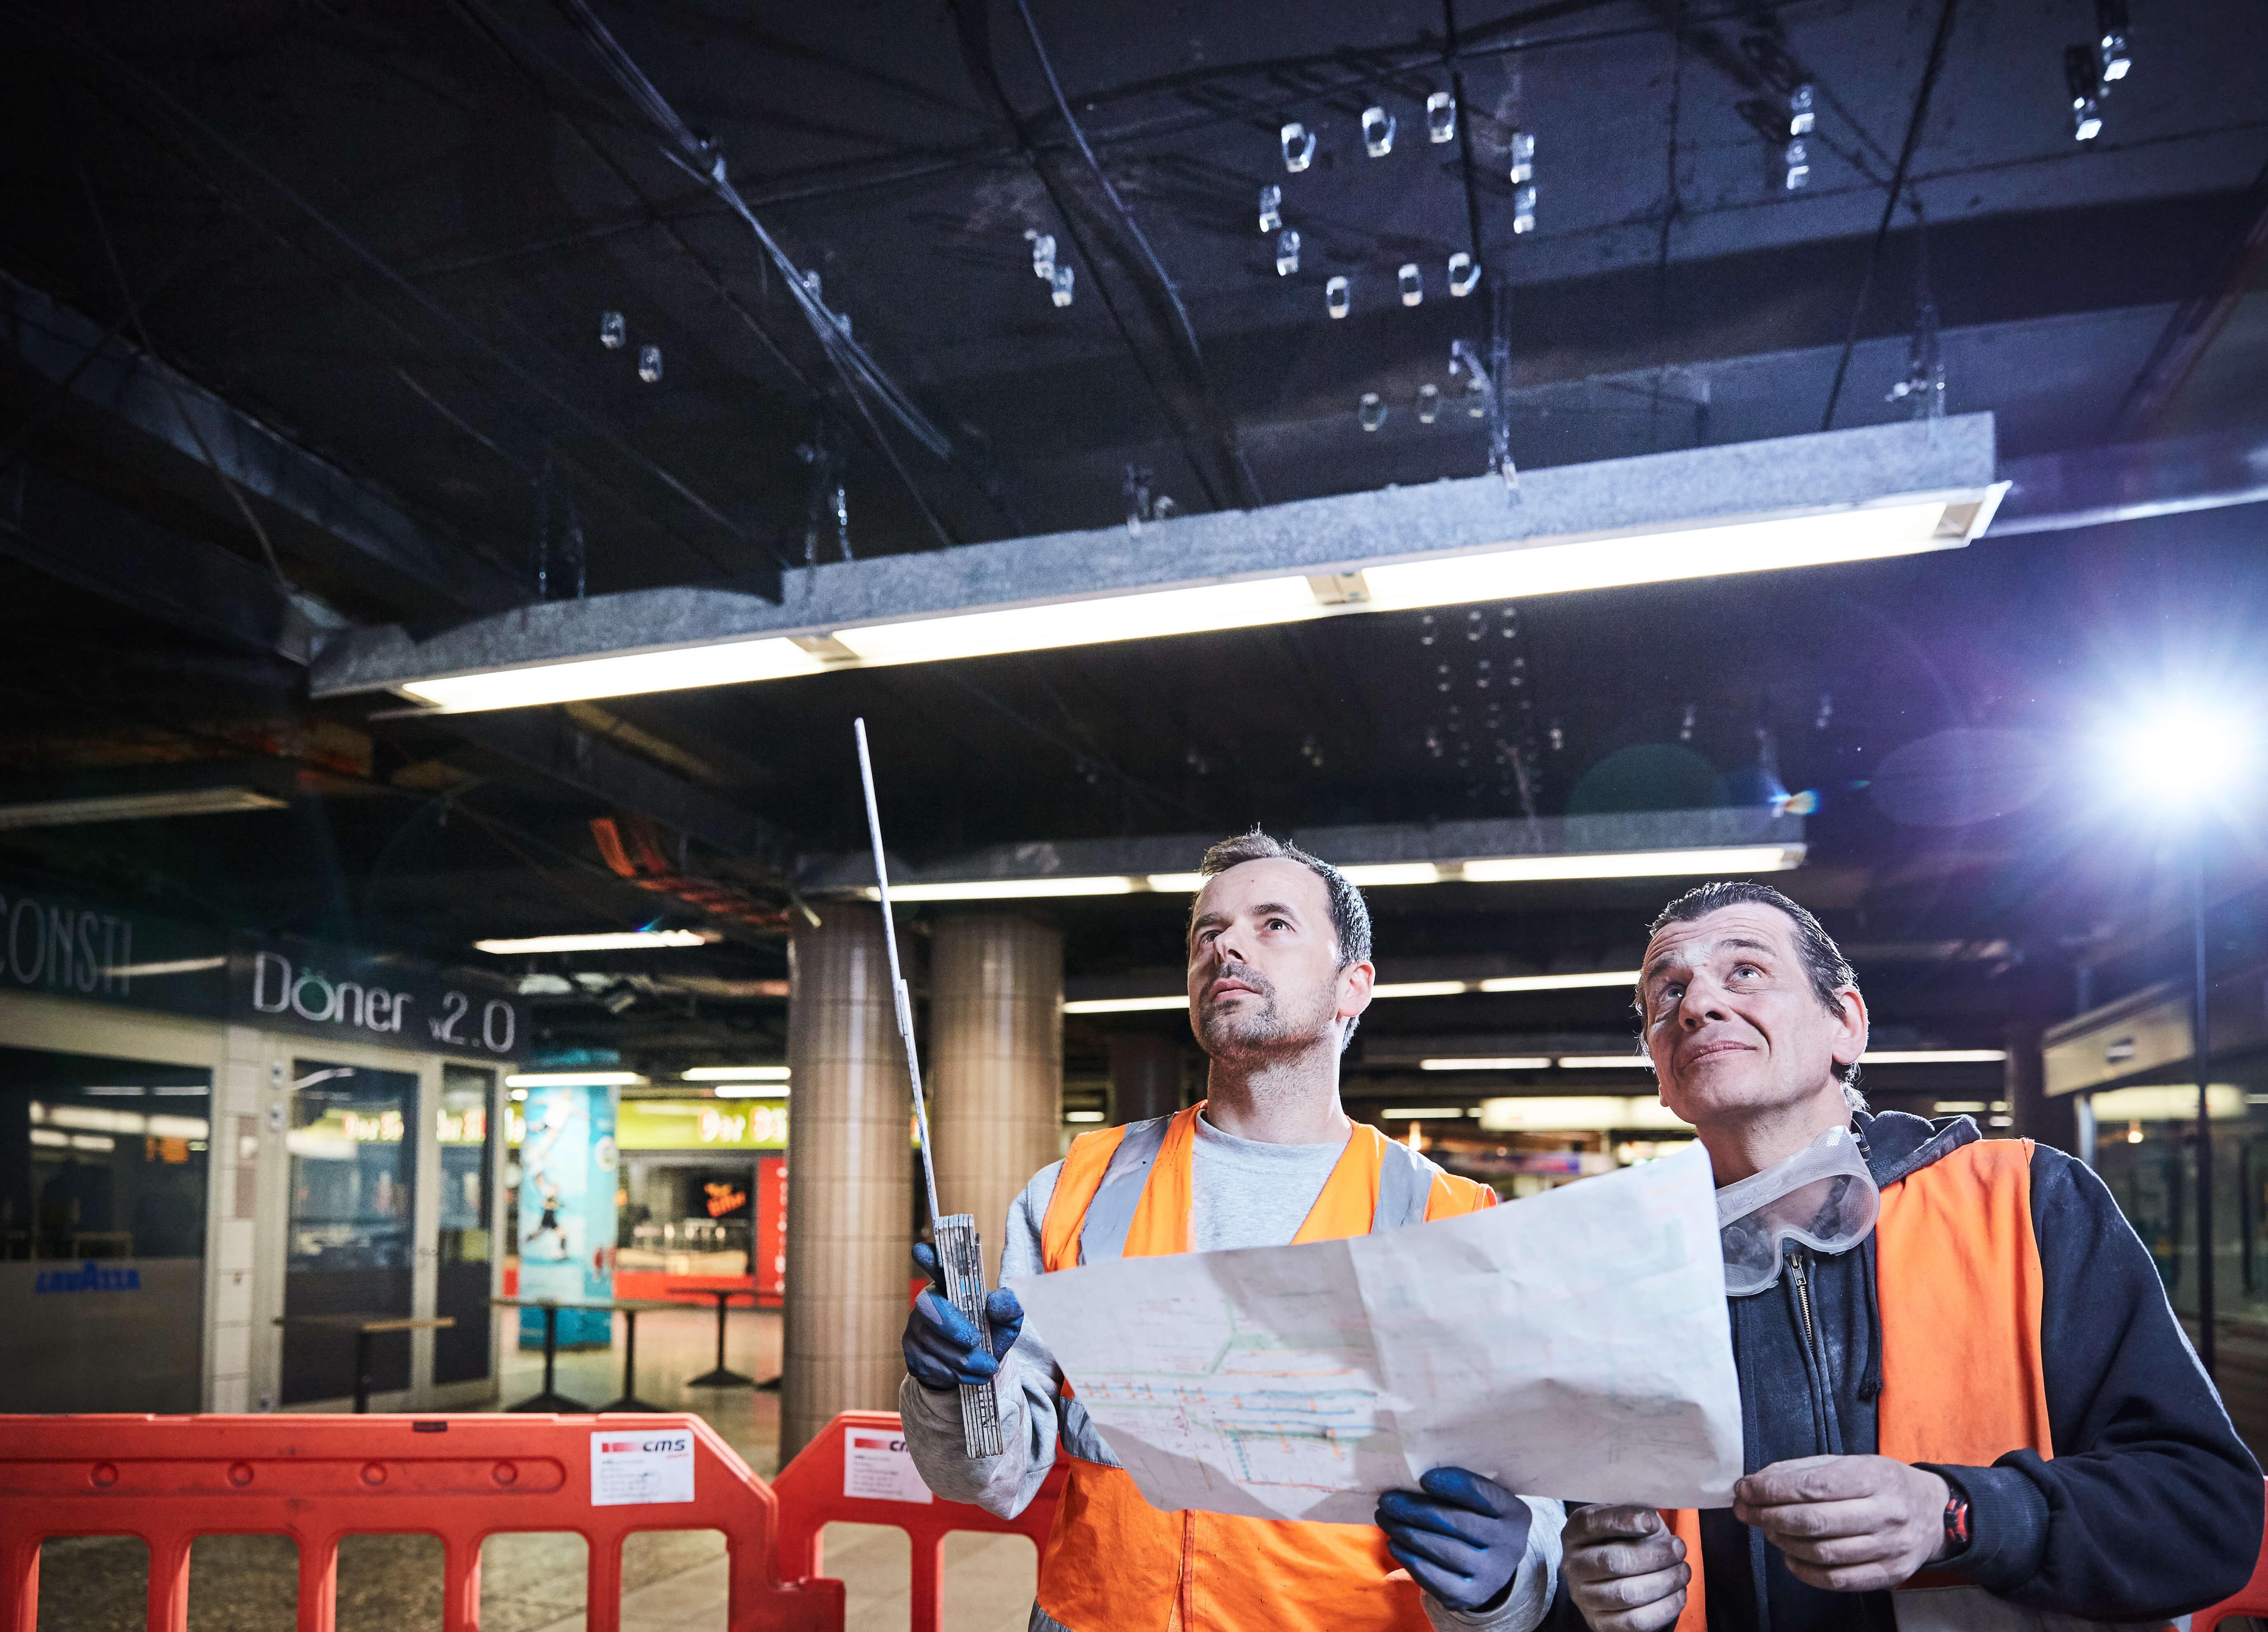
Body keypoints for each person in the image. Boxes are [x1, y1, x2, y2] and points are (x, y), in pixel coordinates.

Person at [1378, 879, 2263, 1630]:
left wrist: (1957, 1515)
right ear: (1656, 1062)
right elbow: (1586, 1559)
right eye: (1664, 994)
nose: (1696, 1004)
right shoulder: (1613, 1275)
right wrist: (1577, 1590)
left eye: (1745, 972)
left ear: (1844, 1024)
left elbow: (2202, 1511)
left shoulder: (2024, 1202)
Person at [898, 829, 1566, 1632]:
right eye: (1206, 934)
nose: (1226, 948)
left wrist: (1507, 1580)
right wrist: (954, 1389)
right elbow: (990, 1477)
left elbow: (1527, 1516)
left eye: (1271, 925)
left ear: (1351, 985)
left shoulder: (1448, 1220)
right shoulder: (1076, 1189)